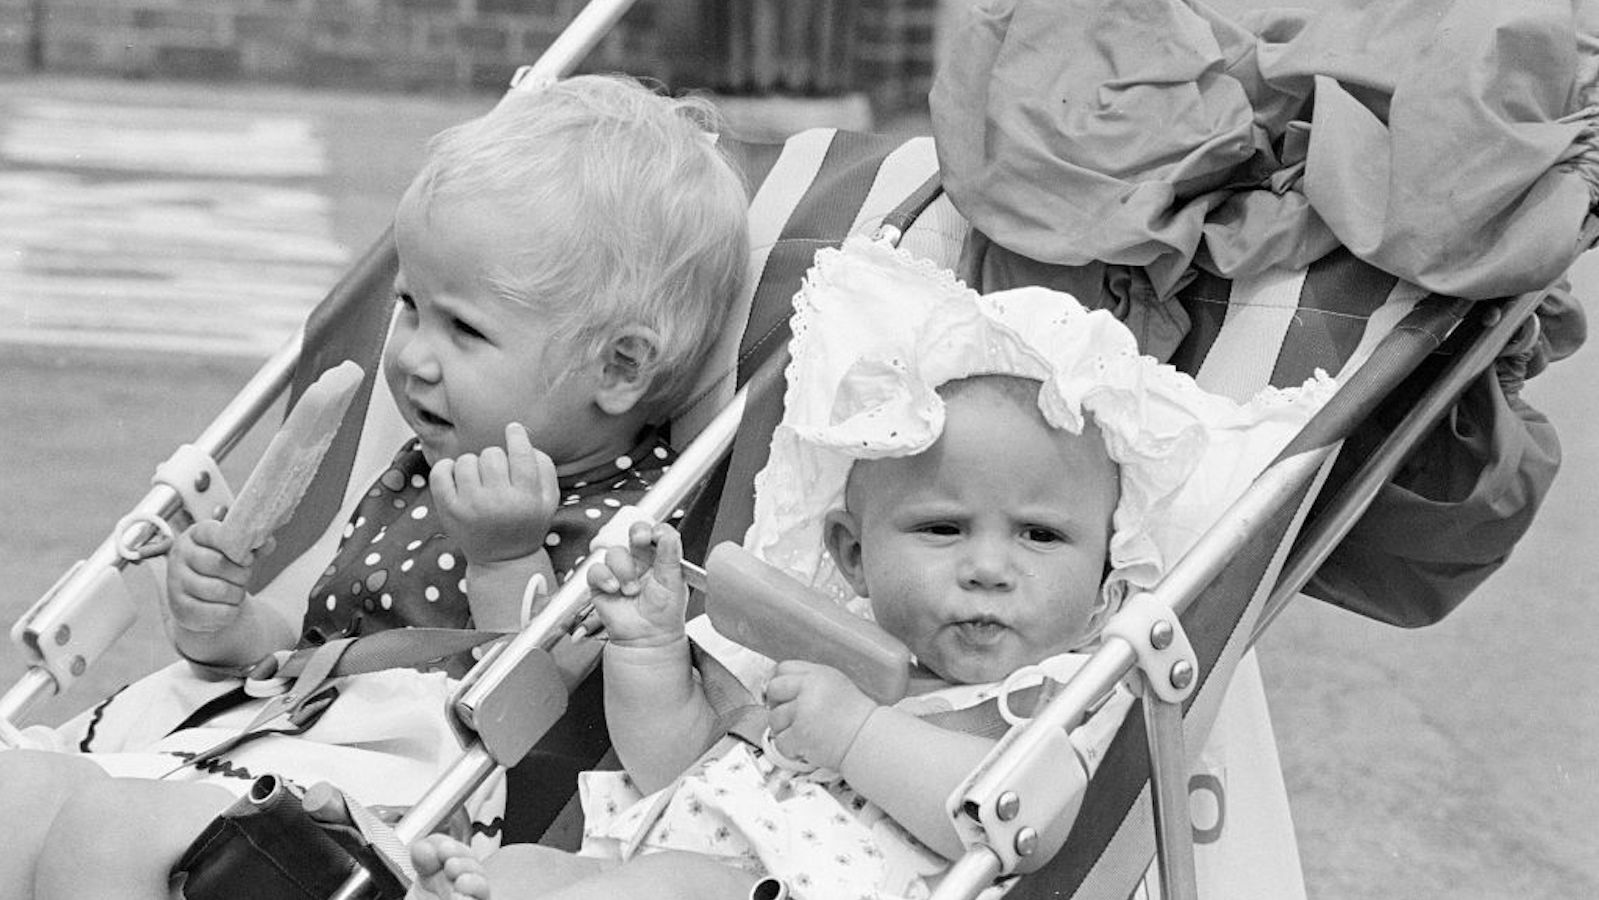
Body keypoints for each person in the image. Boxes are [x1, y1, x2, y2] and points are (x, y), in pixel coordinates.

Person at [0, 73, 749, 900]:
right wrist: (227, 620)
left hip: (386, 800)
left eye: (463, 327)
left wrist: (504, 558)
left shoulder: (629, 529)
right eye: (408, 304)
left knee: (106, 836)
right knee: (19, 798)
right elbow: (303, 634)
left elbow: (540, 731)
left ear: (620, 367)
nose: (412, 354)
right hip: (255, 729)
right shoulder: (417, 467)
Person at [408, 235, 1336, 900]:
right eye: (939, 529)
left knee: (678, 886)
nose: (987, 568)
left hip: (744, 885)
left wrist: (853, 735)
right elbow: (669, 763)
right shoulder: (820, 640)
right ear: (853, 552)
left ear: (1105, 568)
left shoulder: (1052, 696)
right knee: (537, 866)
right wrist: (650, 647)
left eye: (1041, 537)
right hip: (655, 862)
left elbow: (1024, 821)